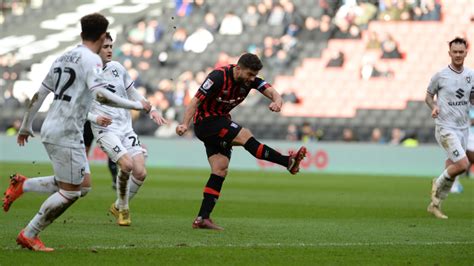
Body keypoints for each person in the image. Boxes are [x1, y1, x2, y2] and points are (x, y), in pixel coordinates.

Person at [2, 13, 152, 251]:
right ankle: (29, 233)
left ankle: (24, 185)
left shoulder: (64, 57)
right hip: (66, 131)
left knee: (83, 186)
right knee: (71, 193)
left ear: (82, 33)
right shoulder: (90, 60)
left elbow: (39, 94)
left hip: (54, 126)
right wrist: (136, 105)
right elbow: (100, 95)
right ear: (102, 36)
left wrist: (25, 125)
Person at [176, 53, 307, 230]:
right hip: (206, 122)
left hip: (220, 121)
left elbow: (273, 92)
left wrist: (277, 101)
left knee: (220, 169)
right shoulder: (217, 77)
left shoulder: (250, 80)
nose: (252, 79)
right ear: (238, 69)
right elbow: (195, 102)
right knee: (245, 135)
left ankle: (202, 218)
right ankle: (287, 162)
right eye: (249, 74)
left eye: (254, 75)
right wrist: (185, 123)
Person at [88, 33, 166, 226]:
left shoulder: (117, 68)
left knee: (140, 173)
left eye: (110, 46)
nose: (109, 50)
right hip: (105, 129)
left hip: (125, 127)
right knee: (127, 165)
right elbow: (75, 108)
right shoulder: (86, 74)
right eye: (105, 46)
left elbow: (133, 92)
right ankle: (123, 209)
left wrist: (152, 109)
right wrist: (94, 117)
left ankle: (117, 205)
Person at [425, 37, 473, 219]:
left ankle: (435, 205)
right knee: (463, 164)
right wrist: (434, 107)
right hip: (445, 127)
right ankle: (437, 183)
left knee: (452, 167)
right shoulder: (441, 75)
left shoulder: (471, 75)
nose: (458, 55)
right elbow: (428, 96)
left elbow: (472, 98)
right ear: (450, 53)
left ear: (466, 53)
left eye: (461, 52)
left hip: (463, 127)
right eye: (455, 52)